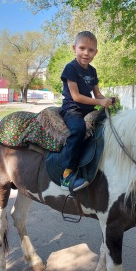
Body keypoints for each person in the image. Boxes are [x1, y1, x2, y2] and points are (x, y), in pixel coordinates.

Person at [59, 31, 112, 192]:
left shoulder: (92, 71)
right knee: (78, 129)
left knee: (109, 125)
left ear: (96, 52)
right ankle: (66, 175)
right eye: (82, 48)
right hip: (72, 109)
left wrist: (107, 100)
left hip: (88, 108)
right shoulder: (70, 68)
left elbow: (97, 94)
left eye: (91, 50)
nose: (86, 53)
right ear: (74, 48)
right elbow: (76, 96)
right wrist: (99, 101)